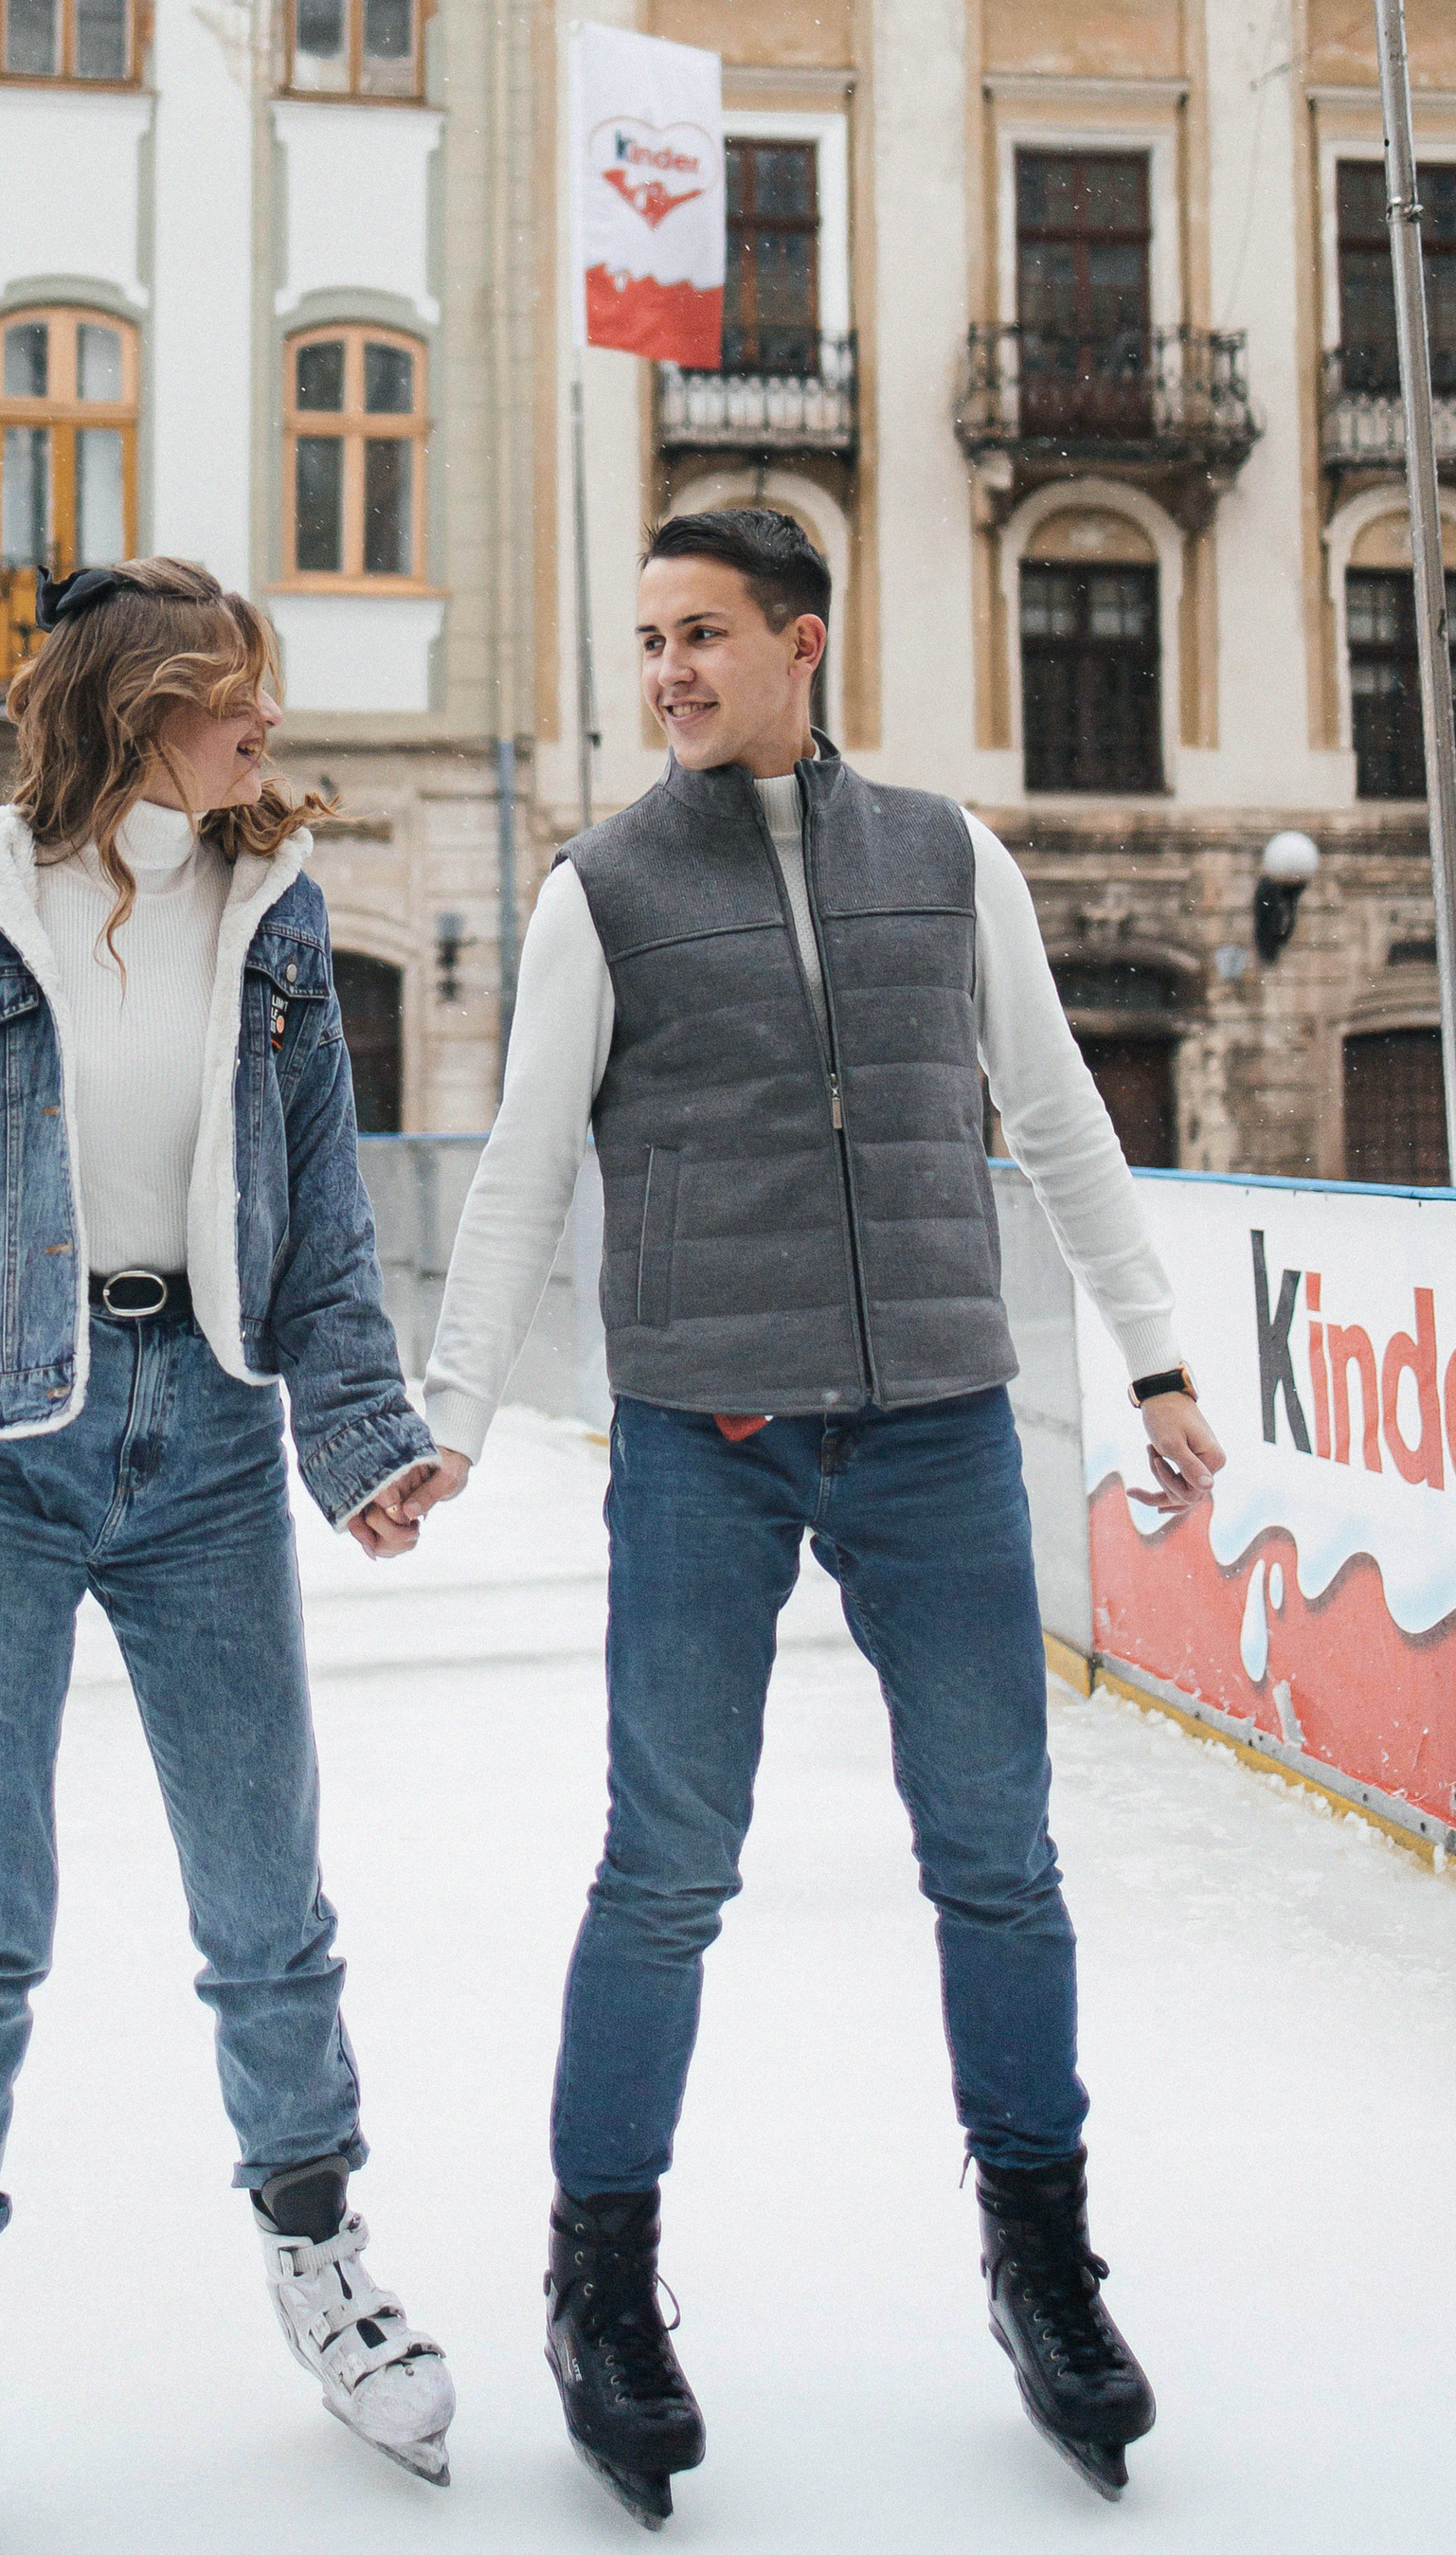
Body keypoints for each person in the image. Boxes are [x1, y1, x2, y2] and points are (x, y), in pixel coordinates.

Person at [403, 509, 1226, 2522]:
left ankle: (1040, 2258)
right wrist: (444, 1414)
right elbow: (519, 1173)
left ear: (801, 640)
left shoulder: (946, 857)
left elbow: (1048, 1107)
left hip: (936, 1425)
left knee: (997, 1861)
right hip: (707, 1430)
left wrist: (1151, 1355)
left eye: (698, 633)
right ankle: (601, 2280)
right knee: (665, 1867)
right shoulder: (596, 891)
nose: (665, 670)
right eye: (644, 639)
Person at [0, 557, 457, 2547]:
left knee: (268, 1895)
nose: (266, 726)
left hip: (213, 1445)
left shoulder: (275, 917)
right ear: (140, 702)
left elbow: (316, 1215)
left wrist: (361, 1445)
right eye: (235, 692)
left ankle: (319, 2253)